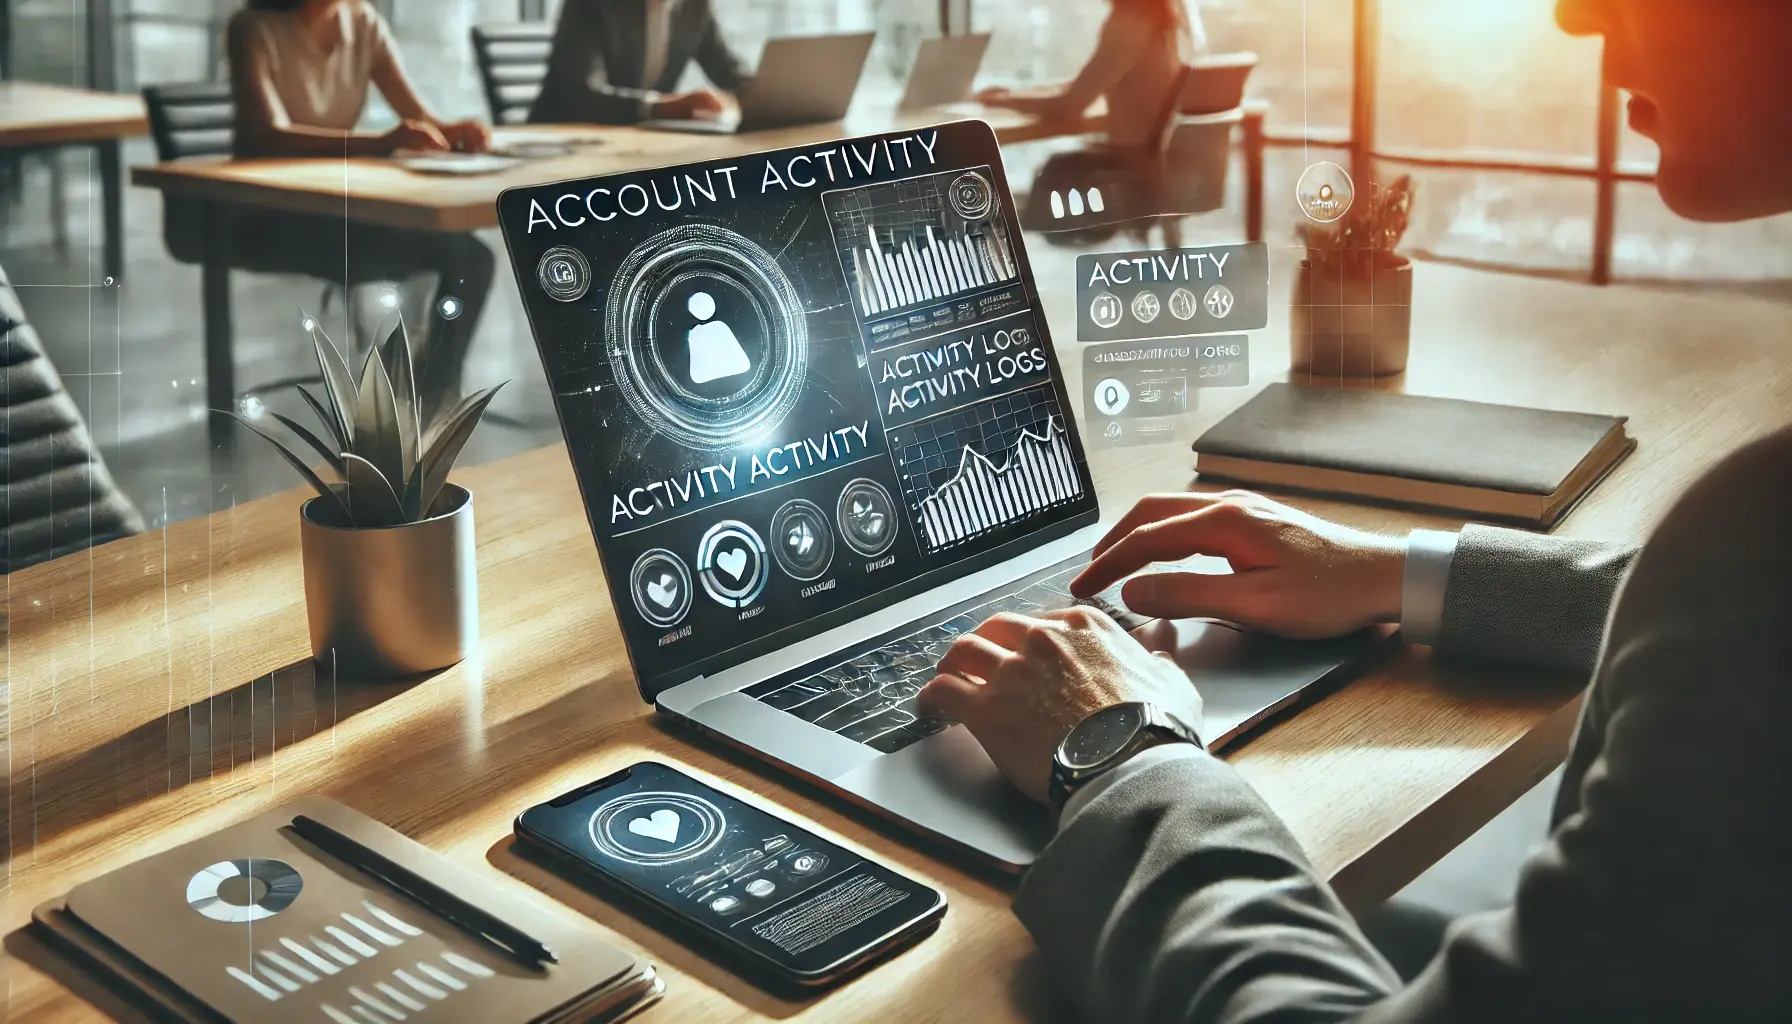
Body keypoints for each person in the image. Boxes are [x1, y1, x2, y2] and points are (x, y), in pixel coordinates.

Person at [917, 2, 1792, 1020]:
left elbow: (1751, 618)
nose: (1573, 11)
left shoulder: (1754, 541)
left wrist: (1119, 754)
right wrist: (1395, 571)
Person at [227, 0, 495, 413]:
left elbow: (416, 116)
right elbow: (270, 136)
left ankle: (434, 399)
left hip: (339, 209)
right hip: (272, 218)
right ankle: (413, 399)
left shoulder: (363, 22)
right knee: (465, 256)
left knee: (472, 258)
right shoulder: (252, 28)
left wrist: (454, 132)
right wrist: (381, 143)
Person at [975, 0, 1207, 149]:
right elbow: (1097, 81)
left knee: (1048, 176)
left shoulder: (1129, 21)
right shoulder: (1167, 17)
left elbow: (1069, 107)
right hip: (1159, 166)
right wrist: (1019, 95)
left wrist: (1001, 101)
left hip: (1129, 167)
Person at [529, 0, 752, 126]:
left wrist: (773, 95)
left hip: (639, 143)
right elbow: (582, 94)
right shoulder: (591, 5)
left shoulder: (695, 7)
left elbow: (729, 72)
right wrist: (663, 106)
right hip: (562, 141)